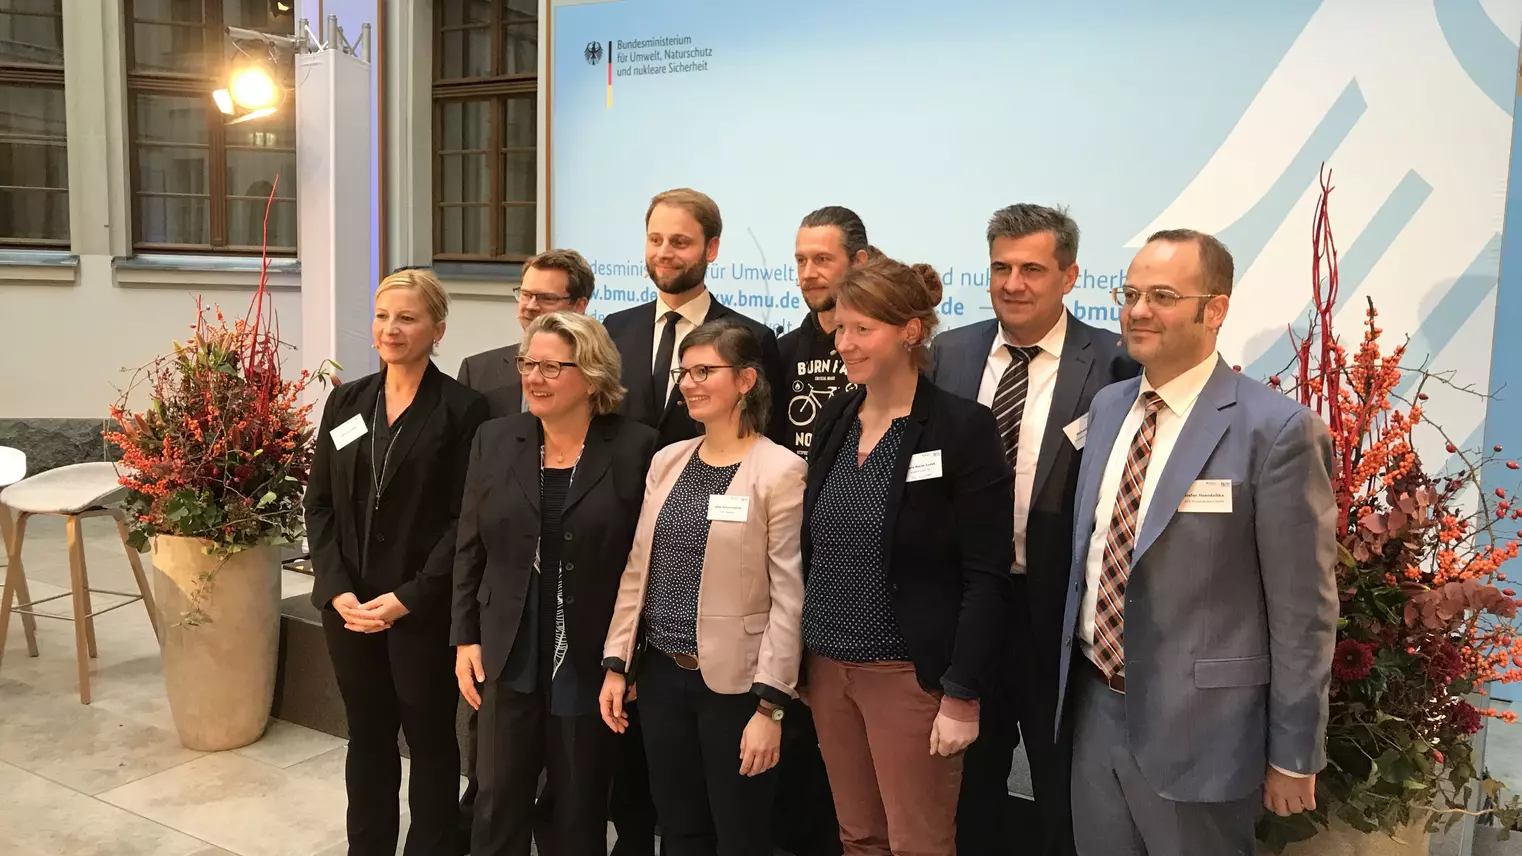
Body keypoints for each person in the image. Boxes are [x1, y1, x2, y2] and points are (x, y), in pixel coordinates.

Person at [1056, 230, 1336, 855]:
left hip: (1203, 732)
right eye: (1130, 293)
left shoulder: (1277, 431)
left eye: (1161, 295)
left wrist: (1295, 752)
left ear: (1215, 310)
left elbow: (1304, 612)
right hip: (1096, 709)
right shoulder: (1108, 408)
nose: (1137, 310)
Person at [928, 204, 1137, 856]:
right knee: (969, 786)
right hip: (967, 607)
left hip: (1060, 618)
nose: (1013, 283)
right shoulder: (949, 355)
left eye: (1032, 269)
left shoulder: (1114, 364)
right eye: (1001, 268)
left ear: (1070, 275)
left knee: (1062, 790)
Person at [802, 255, 1013, 856]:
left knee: (917, 843)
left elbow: (986, 575)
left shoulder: (960, 427)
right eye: (841, 328)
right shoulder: (838, 418)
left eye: (862, 329)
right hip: (827, 669)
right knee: (858, 837)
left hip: (908, 677)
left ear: (911, 331)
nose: (845, 343)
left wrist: (961, 694)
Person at [452, 311, 658, 856]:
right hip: (507, 643)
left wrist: (629, 659)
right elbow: (469, 547)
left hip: (589, 653)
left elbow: (648, 567)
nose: (532, 377)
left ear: (590, 375)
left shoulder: (638, 449)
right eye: (528, 363)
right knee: (496, 799)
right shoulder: (494, 439)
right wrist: (465, 637)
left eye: (550, 367)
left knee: (579, 803)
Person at [601, 318, 806, 856]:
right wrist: (617, 663)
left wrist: (771, 708)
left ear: (745, 380)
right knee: (681, 831)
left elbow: (789, 597)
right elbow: (637, 569)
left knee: (740, 836)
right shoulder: (668, 461)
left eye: (704, 371)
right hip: (663, 678)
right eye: (683, 372)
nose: (689, 383)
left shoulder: (780, 470)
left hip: (739, 689)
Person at [304, 268, 490, 856]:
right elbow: (320, 504)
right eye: (383, 316)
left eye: (407, 317)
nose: (391, 328)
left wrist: (412, 595)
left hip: (419, 610)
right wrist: (336, 590)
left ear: (437, 329)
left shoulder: (465, 410)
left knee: (431, 741)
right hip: (350, 607)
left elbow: (467, 520)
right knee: (367, 738)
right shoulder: (347, 401)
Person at [603, 188, 788, 449]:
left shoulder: (753, 338)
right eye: (655, 240)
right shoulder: (615, 328)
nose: (663, 253)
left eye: (679, 242)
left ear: (711, 249)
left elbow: (767, 440)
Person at [778, 206, 870, 460]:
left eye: (822, 260)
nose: (808, 274)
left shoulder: (888, 352)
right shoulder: (780, 351)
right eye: (801, 261)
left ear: (858, 262)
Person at [458, 249, 596, 418]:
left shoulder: (601, 374)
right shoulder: (478, 372)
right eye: (525, 294)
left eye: (546, 298)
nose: (530, 306)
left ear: (579, 306)